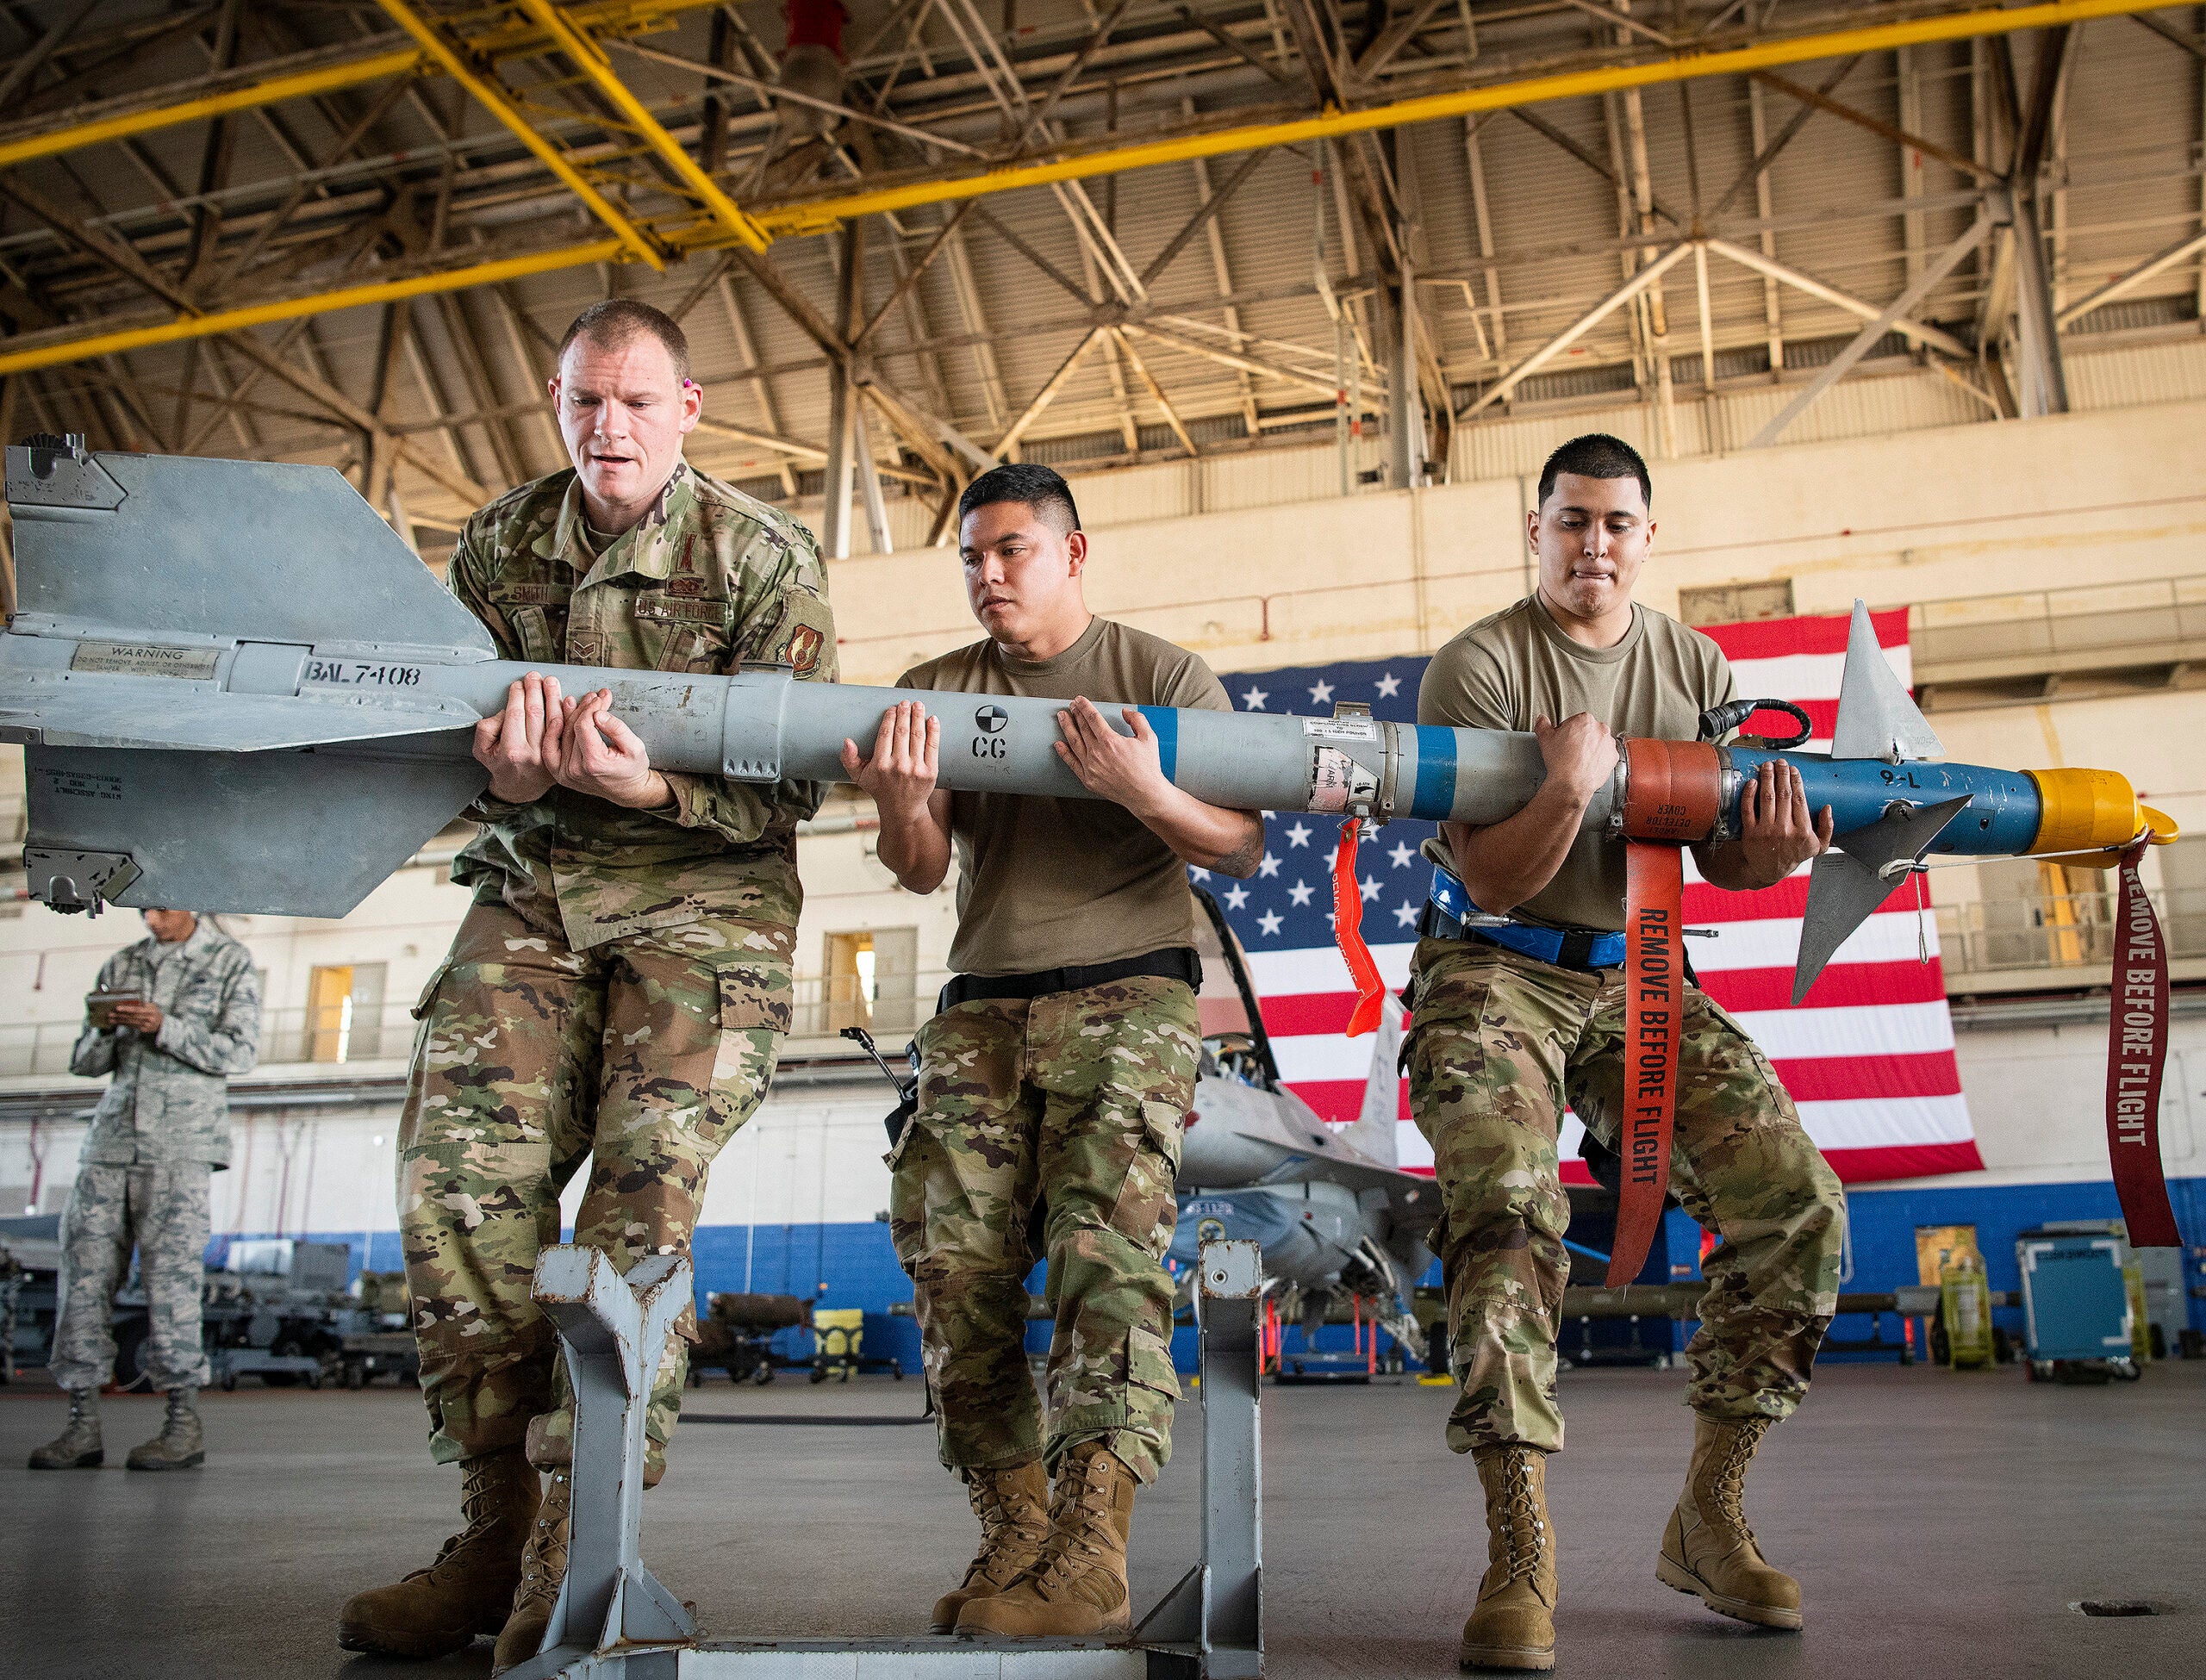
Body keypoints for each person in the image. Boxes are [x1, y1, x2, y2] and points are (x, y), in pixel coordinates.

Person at [337, 300, 836, 1672]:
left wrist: (649, 786)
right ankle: (496, 1525)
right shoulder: (500, 545)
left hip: (705, 904)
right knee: (454, 1185)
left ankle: (579, 1537)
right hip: (538, 890)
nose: (608, 428)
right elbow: (438, 756)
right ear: (557, 405)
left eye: (635, 401)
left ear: (689, 408)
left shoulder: (764, 555)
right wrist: (499, 781)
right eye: (584, 402)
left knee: (638, 1201)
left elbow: (793, 786)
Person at [1406, 433, 1847, 1671]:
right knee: (1504, 1207)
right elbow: (1492, 880)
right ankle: (1518, 1549)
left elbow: (1724, 859)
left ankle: (1710, 1510)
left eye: (1615, 523)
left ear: (1647, 538)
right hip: (1494, 966)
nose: (1592, 545)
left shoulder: (1694, 665)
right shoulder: (1480, 666)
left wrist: (1775, 850)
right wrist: (1564, 786)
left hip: (1639, 972)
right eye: (1571, 520)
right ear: (1534, 531)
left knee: (1800, 1206)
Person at [844, 463, 1263, 1640]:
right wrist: (901, 801)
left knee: (1102, 1254)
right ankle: (1016, 1530)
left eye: (1011, 551)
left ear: (1072, 553)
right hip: (982, 1003)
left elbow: (1238, 845)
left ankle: (1093, 1550)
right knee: (952, 1266)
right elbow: (922, 868)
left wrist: (1142, 787)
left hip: (1130, 991)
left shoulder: (1162, 678)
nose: (988, 575)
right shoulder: (935, 690)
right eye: (971, 558)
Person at [29, 907, 260, 1473]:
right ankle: (81, 1424)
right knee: (82, 1281)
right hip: (109, 1144)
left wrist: (165, 1026)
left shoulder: (229, 960)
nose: (152, 919)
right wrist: (106, 1028)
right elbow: (85, 1063)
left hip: (180, 1145)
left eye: (162, 907)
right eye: (144, 910)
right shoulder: (123, 964)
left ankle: (182, 1424)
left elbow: (240, 1052)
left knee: (172, 1283)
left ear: (189, 901)